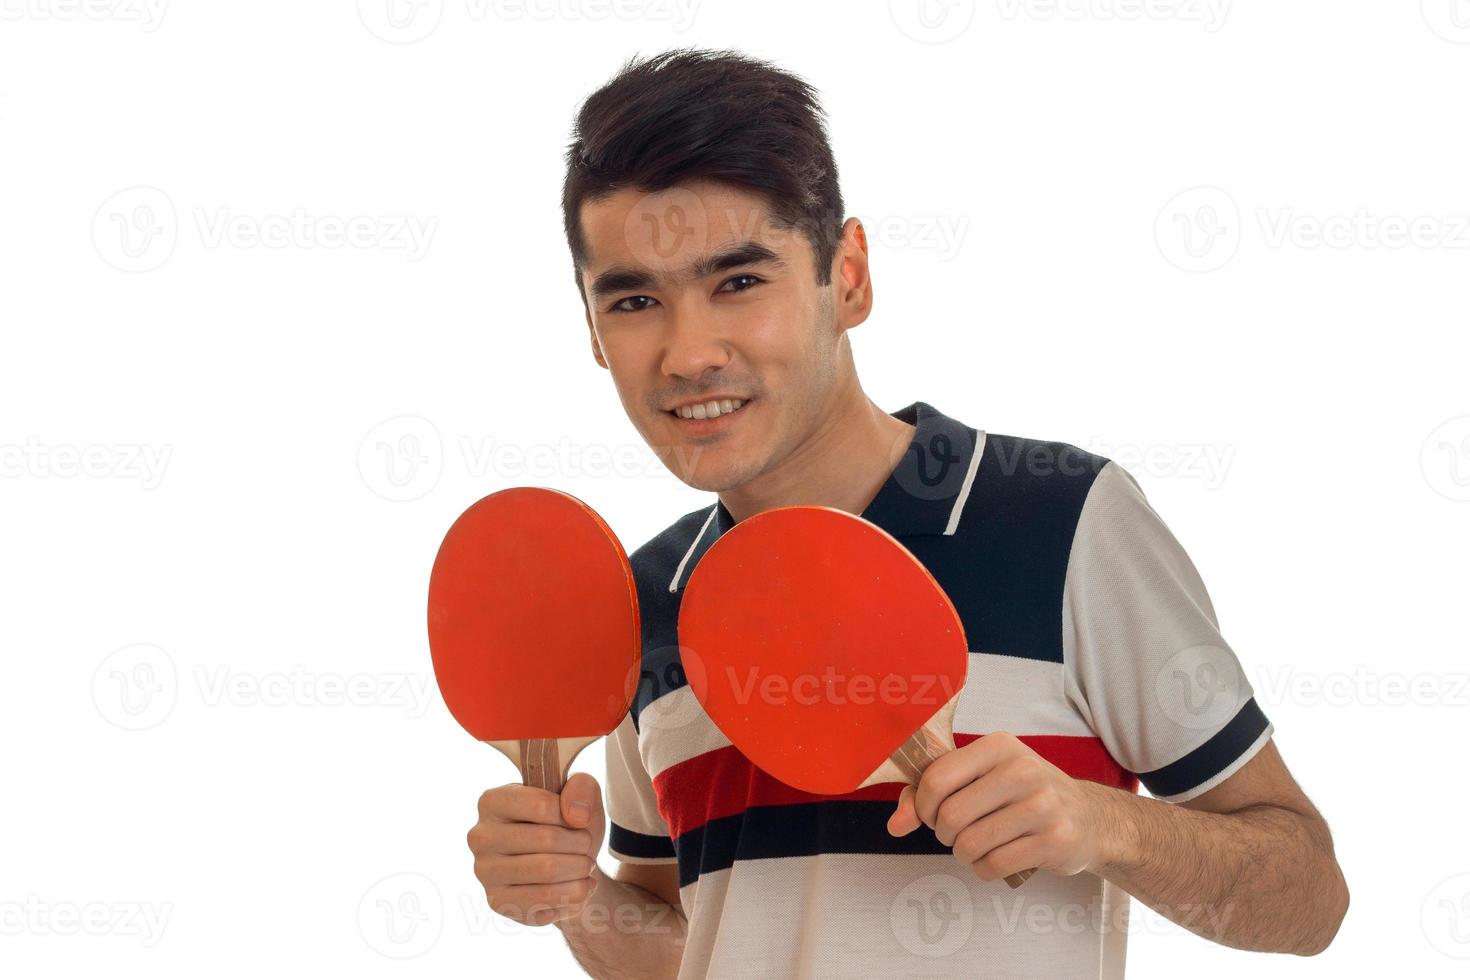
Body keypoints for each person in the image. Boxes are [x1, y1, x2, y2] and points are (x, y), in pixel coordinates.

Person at [465, 47, 1348, 978]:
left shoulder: (1064, 522)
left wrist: (1104, 824)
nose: (688, 354)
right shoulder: (645, 599)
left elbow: (1309, 899)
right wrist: (578, 899)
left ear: (847, 277)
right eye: (636, 299)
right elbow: (687, 951)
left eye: (739, 281)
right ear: (594, 334)